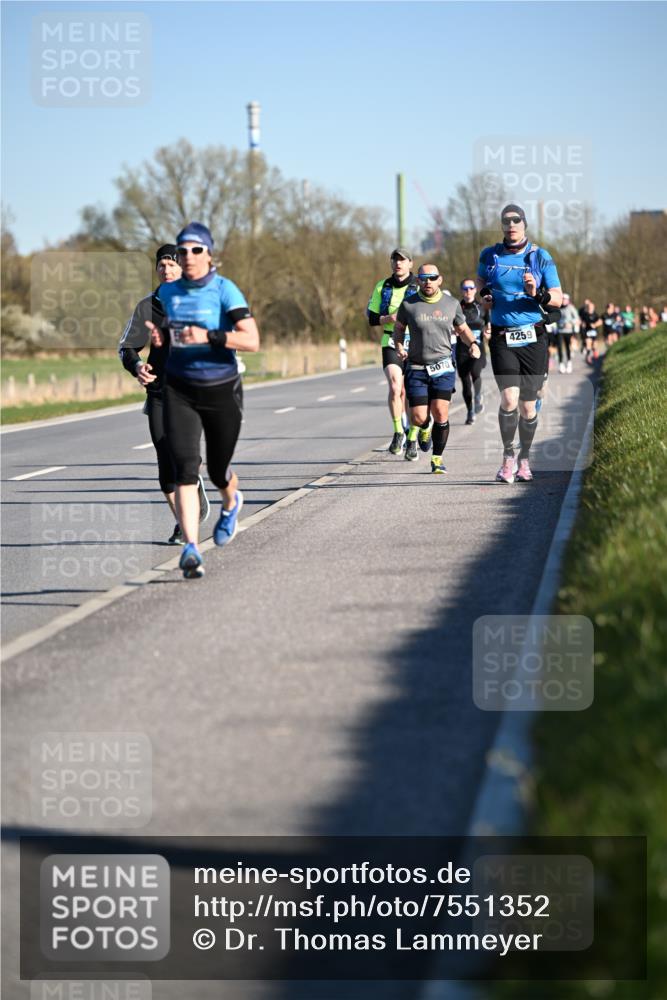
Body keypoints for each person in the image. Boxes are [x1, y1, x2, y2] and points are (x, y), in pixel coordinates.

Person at [146, 222, 259, 579]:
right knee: (184, 468)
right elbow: (171, 334)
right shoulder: (167, 293)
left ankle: (231, 501)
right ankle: (192, 548)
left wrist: (210, 336)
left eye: (196, 250)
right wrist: (161, 341)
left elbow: (252, 340)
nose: (189, 256)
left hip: (221, 388)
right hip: (179, 389)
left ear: (209, 255)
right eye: (183, 251)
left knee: (217, 470)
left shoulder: (225, 290)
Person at [119, 244, 210, 544]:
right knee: (164, 462)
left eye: (172, 265)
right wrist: (137, 366)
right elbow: (127, 347)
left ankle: (189, 521)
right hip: (159, 392)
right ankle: (182, 522)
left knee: (182, 457)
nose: (166, 270)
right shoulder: (148, 306)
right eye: (161, 265)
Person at [476, 204, 563, 484]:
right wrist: (484, 296)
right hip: (502, 336)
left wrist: (536, 293)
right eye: (506, 221)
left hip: (533, 336)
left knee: (528, 407)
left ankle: (524, 459)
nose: (511, 225)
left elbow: (558, 297)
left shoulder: (540, 256)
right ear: (501, 225)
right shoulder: (489, 255)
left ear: (524, 224)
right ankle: (507, 458)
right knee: (509, 399)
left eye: (516, 220)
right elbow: (480, 283)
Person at [393, 265, 481, 474]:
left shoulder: (451, 304)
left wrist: (473, 344)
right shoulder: (409, 304)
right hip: (416, 367)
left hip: (443, 366)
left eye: (432, 277)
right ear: (418, 281)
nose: (428, 282)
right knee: (417, 417)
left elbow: (462, 329)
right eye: (423, 278)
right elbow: (399, 328)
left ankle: (437, 459)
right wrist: (398, 345)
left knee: (441, 412)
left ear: (439, 280)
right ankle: (425, 427)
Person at [367, 248, 418, 454]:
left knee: (411, 391)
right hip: (390, 340)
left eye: (402, 260)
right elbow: (372, 318)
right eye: (395, 260)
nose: (398, 263)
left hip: (416, 341)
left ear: (410, 263)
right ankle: (398, 432)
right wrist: (389, 318)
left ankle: (413, 435)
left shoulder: (420, 285)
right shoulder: (383, 286)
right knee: (396, 387)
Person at [456, 278, 490, 424]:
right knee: (465, 382)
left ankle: (478, 396)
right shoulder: (456, 308)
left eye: (471, 288)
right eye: (465, 288)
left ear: (475, 290)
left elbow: (489, 325)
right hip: (462, 349)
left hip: (478, 347)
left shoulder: (482, 307)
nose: (468, 291)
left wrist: (488, 333)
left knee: (475, 372)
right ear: (461, 291)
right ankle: (470, 411)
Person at [557, 293, 579, 373]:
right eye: (562, 299)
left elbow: (576, 318)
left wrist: (571, 323)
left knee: (567, 347)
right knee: (559, 347)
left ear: (568, 300)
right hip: (560, 331)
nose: (563, 301)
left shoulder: (571, 308)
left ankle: (569, 363)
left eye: (565, 299)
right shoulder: (558, 308)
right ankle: (561, 364)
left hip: (568, 331)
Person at [579, 298, 602, 363]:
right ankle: (588, 357)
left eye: (591, 307)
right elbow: (581, 321)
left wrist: (595, 325)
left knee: (594, 345)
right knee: (588, 343)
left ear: (593, 308)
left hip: (594, 332)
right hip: (587, 331)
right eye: (589, 307)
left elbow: (600, 321)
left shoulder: (595, 314)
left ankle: (594, 352)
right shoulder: (585, 314)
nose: (590, 308)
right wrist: (582, 324)